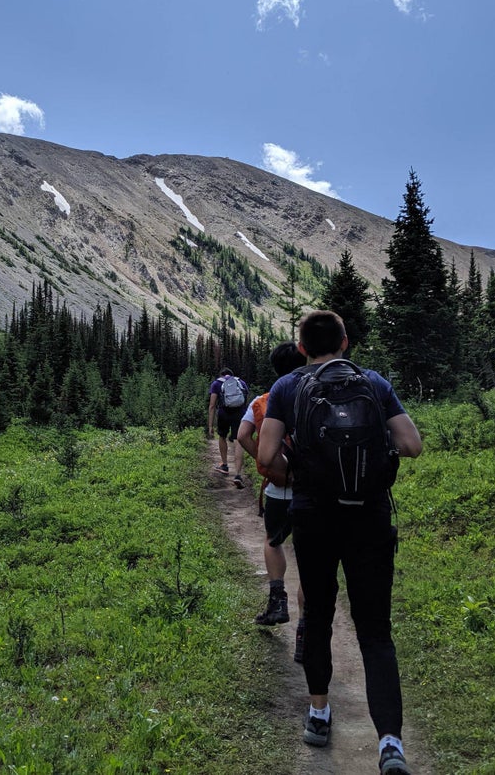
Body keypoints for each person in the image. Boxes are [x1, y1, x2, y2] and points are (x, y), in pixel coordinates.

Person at [257, 311, 423, 775]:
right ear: (345, 342)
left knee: (319, 613)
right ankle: (390, 744)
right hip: (369, 517)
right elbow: (412, 444)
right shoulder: (374, 382)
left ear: (302, 346)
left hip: (314, 519)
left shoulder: (289, 387)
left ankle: (318, 712)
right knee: (375, 632)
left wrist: (303, 469)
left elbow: (267, 456)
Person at [237, 341, 307, 648]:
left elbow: (241, 435)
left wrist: (263, 463)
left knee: (272, 540)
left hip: (279, 488)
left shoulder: (263, 400)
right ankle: (307, 625)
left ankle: (278, 600)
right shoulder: (314, 396)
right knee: (309, 554)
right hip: (313, 490)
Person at [207, 367, 249, 488]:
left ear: (221, 375)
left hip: (224, 413)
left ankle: (225, 465)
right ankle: (238, 474)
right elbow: (245, 399)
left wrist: (210, 425)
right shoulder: (241, 382)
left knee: (222, 436)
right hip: (239, 413)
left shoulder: (216, 383)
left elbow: (212, 405)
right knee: (238, 441)